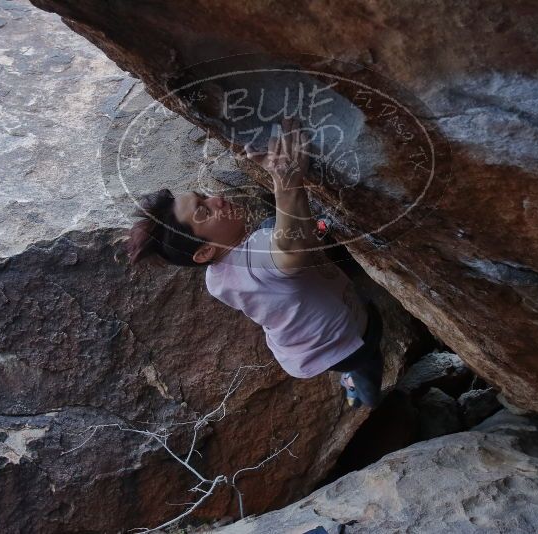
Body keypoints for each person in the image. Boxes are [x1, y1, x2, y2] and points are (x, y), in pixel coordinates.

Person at [125, 118, 384, 407]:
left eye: (204, 197)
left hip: (303, 349)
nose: (217, 200)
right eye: (204, 212)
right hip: (346, 343)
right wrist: (287, 182)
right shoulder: (260, 253)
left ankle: (352, 383)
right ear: (204, 252)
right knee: (370, 357)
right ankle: (369, 398)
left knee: (271, 224)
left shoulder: (215, 279)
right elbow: (291, 252)